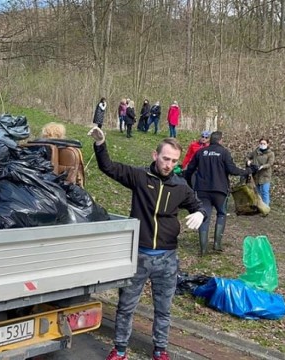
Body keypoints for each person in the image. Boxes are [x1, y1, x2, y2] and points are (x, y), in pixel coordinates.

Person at [87, 127, 206, 360]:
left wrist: (201, 213)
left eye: (173, 160)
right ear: (155, 155)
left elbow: (198, 205)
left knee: (163, 309)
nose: (168, 164)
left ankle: (160, 350)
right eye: (165, 158)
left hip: (167, 259)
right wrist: (100, 144)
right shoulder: (140, 177)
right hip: (139, 256)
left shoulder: (180, 186)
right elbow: (108, 167)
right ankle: (120, 349)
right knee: (126, 307)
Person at [184, 131, 257, 255]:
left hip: (202, 190)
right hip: (220, 190)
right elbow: (233, 170)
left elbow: (189, 169)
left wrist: (189, 185)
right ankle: (217, 244)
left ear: (210, 140)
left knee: (203, 216)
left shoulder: (200, 152)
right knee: (222, 214)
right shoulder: (224, 152)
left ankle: (203, 249)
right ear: (220, 140)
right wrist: (249, 170)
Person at [245, 137, 275, 207]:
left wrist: (262, 166)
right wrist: (248, 161)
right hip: (256, 174)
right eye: (261, 143)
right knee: (256, 192)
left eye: (264, 143)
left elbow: (270, 163)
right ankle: (258, 206)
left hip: (265, 175)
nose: (262, 145)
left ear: (267, 144)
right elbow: (248, 157)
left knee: (265, 192)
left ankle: (266, 207)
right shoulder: (256, 151)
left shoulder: (271, 154)